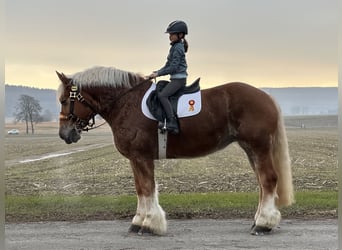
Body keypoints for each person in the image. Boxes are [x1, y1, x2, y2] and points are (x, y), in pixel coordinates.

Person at [149, 20, 189, 135]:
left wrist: (159, 74)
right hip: (175, 78)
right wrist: (157, 72)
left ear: (180, 35)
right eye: (169, 34)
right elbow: (168, 65)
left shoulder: (178, 48)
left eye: (172, 34)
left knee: (162, 95)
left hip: (179, 80)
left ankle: (172, 122)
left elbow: (174, 67)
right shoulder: (174, 47)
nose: (170, 36)